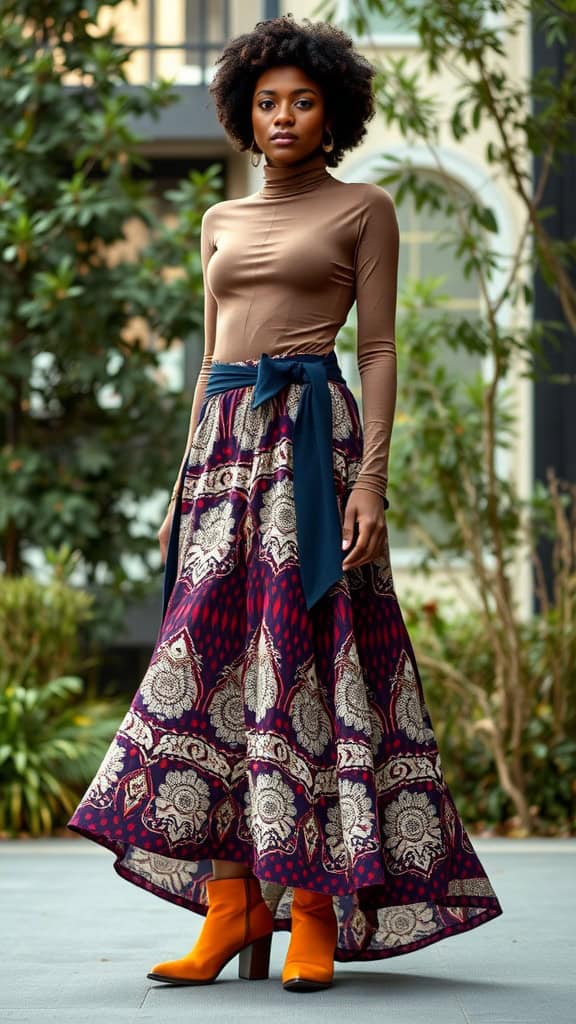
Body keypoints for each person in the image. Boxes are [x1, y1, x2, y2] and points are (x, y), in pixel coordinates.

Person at [67, 14, 503, 994]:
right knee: (212, 664)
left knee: (306, 659)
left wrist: (372, 480)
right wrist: (185, 483)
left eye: (302, 101)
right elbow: (212, 352)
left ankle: (311, 905)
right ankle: (232, 908)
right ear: (243, 112)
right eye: (267, 102)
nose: (283, 116)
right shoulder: (221, 220)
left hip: (311, 444)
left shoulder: (364, 209)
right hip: (225, 450)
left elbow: (380, 350)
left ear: (332, 113)